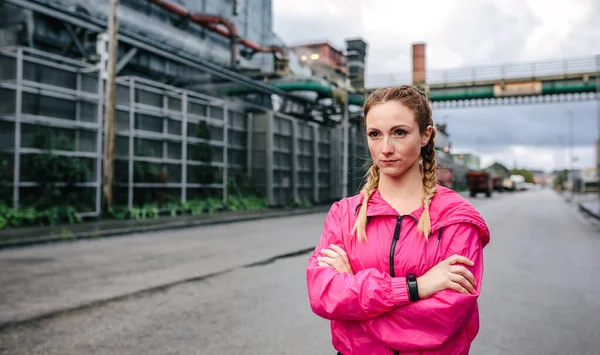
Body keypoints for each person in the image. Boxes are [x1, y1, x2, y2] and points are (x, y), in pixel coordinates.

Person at [305, 85, 491, 355]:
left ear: (426, 136)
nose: (386, 148)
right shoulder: (345, 214)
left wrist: (357, 307)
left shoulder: (457, 220)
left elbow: (441, 321)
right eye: (375, 134)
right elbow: (324, 295)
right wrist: (416, 287)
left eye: (400, 132)